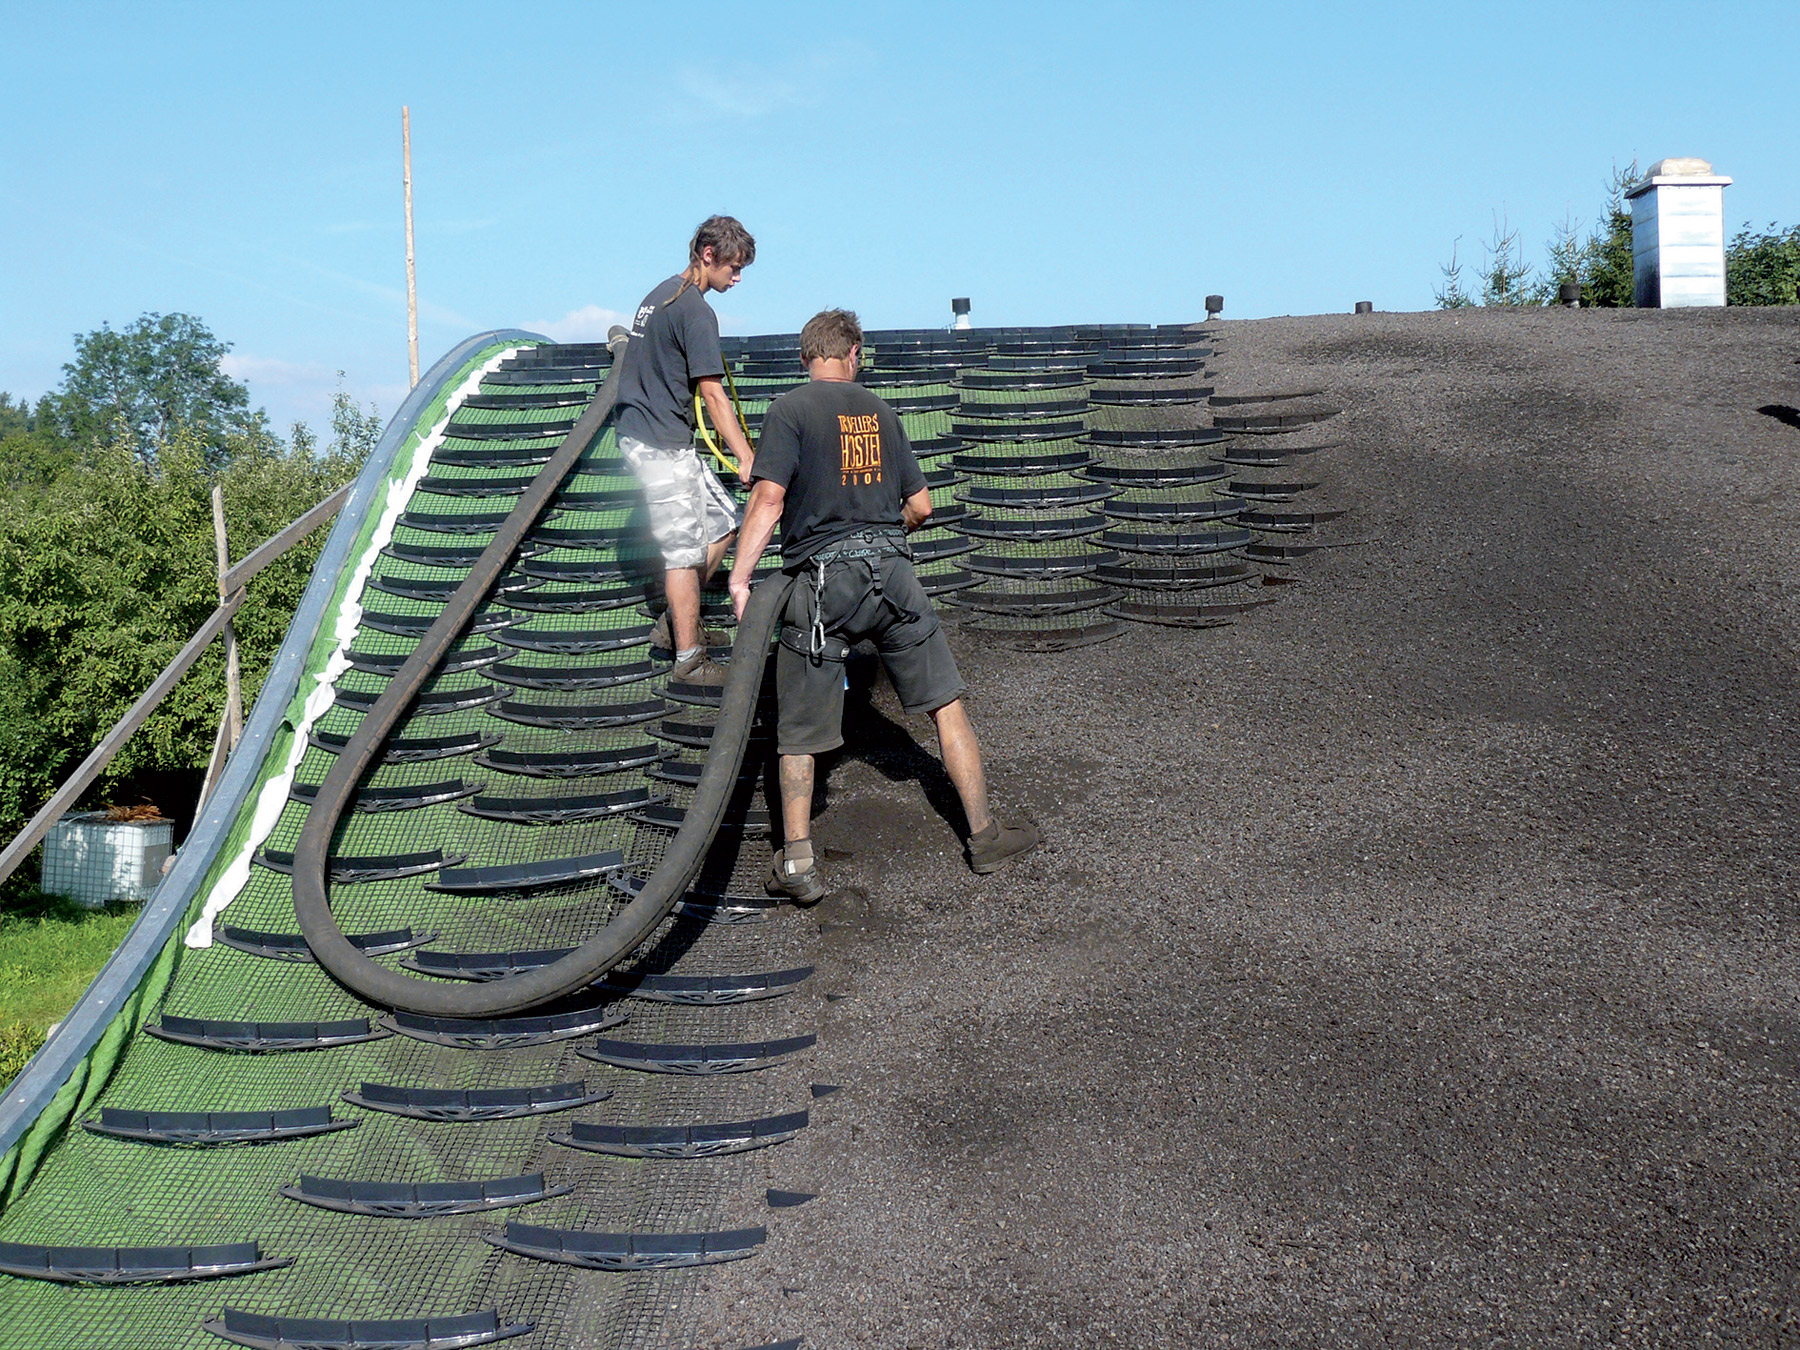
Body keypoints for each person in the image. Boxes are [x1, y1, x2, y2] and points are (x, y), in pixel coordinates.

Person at [728, 308, 1041, 902]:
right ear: (853, 355)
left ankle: (796, 863)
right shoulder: (883, 413)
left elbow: (768, 501)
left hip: (822, 588)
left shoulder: (788, 409)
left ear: (806, 358)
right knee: (945, 708)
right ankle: (984, 835)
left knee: (797, 731)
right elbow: (921, 508)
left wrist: (742, 579)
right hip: (895, 577)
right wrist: (876, 535)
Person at [614, 215, 758, 687]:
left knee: (724, 522)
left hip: (658, 434)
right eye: (734, 267)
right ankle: (689, 658)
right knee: (681, 550)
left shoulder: (658, 294)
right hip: (657, 444)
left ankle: (677, 622)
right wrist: (745, 456)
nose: (738, 278)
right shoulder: (695, 311)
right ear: (708, 255)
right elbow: (714, 395)